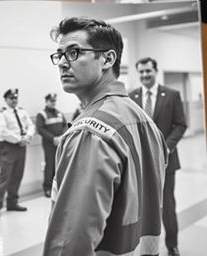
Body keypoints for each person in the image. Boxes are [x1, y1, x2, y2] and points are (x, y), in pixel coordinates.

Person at [43, 17, 168, 256]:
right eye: (59, 55)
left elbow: (71, 242)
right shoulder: (143, 119)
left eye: (74, 52)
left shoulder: (89, 133)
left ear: (107, 59)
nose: (62, 63)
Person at [129, 57, 187, 256]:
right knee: (143, 207)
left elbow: (181, 124)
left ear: (155, 71)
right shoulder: (131, 97)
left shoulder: (171, 95)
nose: (145, 75)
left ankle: (172, 246)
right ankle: (146, 247)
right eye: (142, 72)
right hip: (142, 163)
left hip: (166, 162)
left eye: (148, 71)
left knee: (167, 206)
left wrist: (166, 147)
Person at [0, 88, 35, 219]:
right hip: (9, 147)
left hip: (22, 148)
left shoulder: (22, 111)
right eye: (11, 98)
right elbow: (2, 132)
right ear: (5, 100)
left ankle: (12, 203)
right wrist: (19, 139)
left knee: (17, 176)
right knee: (4, 178)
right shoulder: (1, 114)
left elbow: (31, 125)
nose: (14, 100)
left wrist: (28, 137)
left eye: (16, 98)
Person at [36, 93, 67, 198]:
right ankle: (48, 188)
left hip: (60, 142)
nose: (53, 103)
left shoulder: (59, 113)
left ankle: (58, 186)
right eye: (51, 101)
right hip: (49, 144)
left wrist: (62, 137)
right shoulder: (42, 114)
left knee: (59, 165)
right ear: (46, 101)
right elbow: (40, 129)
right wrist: (53, 138)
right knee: (49, 166)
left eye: (55, 101)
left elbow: (65, 125)